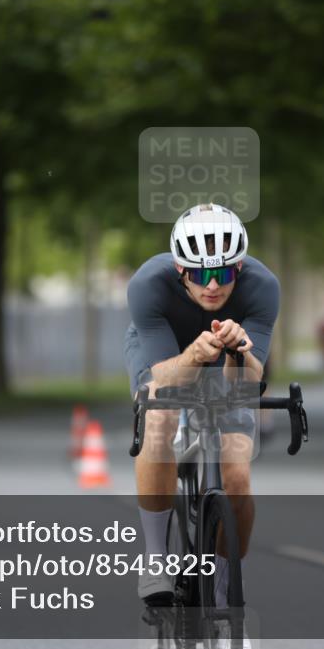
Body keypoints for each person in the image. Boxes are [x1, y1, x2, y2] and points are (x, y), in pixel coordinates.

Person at [124, 203, 279, 606]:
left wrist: (237, 353)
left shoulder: (263, 287)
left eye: (224, 273)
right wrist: (194, 355)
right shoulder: (148, 285)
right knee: (159, 415)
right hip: (165, 353)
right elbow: (162, 377)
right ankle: (155, 559)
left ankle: (225, 582)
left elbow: (246, 386)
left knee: (238, 480)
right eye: (200, 273)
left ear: (239, 269)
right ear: (180, 270)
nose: (213, 285)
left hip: (229, 362)